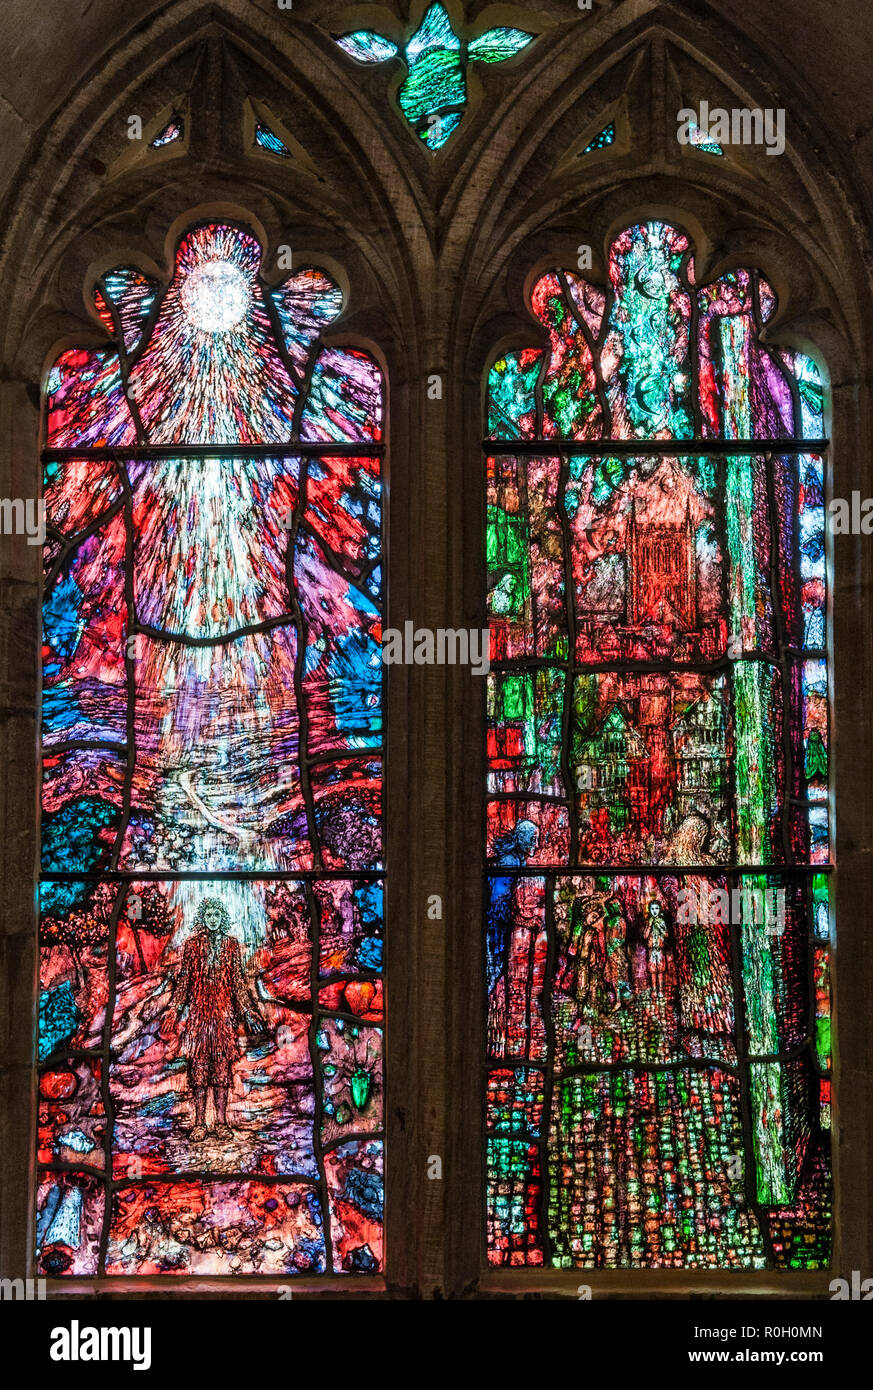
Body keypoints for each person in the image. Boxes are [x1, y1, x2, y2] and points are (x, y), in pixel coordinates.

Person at [145, 897, 267, 1141]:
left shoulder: (231, 946)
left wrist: (248, 1012)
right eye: (208, 915)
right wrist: (174, 1011)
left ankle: (221, 1123)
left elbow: (238, 985)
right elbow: (184, 983)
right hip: (199, 1020)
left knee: (222, 1072)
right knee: (198, 1073)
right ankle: (200, 1123)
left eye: (216, 915)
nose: (213, 919)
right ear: (203, 917)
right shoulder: (192, 946)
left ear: (222, 918)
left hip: (223, 1020)